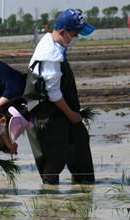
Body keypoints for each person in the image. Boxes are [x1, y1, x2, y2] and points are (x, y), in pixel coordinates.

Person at [23, 8, 95, 185]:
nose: (75, 38)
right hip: (46, 117)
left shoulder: (52, 42)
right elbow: (54, 94)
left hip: (59, 112)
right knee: (51, 167)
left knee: (79, 148)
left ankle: (84, 188)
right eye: (75, 34)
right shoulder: (51, 55)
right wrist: (72, 115)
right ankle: (48, 204)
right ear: (63, 32)